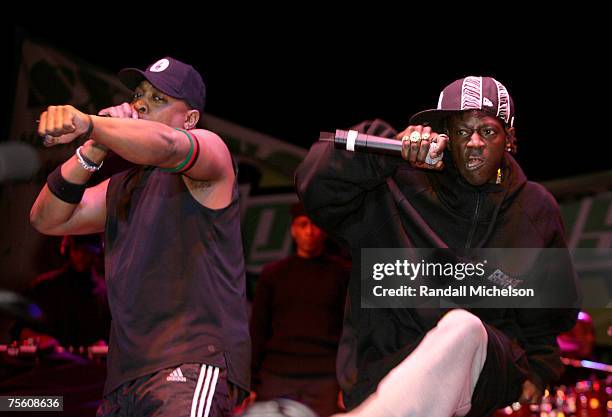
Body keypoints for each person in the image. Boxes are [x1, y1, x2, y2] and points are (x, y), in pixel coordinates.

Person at [295, 76, 579, 417]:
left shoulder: (535, 209)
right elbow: (313, 185)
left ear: (509, 137)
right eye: (462, 132)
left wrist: (541, 370)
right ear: (445, 135)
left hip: (481, 380)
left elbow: (546, 313)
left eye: (487, 131)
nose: (474, 143)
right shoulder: (396, 182)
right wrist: (390, 150)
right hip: (385, 375)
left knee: (463, 327)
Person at [30, 57, 250, 417]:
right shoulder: (122, 187)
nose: (141, 104)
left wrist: (90, 123)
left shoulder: (212, 153)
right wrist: (94, 146)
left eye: (159, 99)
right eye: (138, 95)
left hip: (189, 364)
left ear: (190, 119)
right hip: (124, 378)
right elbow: (46, 218)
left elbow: (167, 146)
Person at [250, 202, 350, 417]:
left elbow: (350, 331)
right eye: (303, 225)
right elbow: (257, 329)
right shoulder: (273, 274)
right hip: (276, 375)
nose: (309, 231)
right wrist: (250, 380)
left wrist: (347, 381)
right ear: (293, 230)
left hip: (325, 378)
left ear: (324, 230)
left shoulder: (342, 274)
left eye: (315, 225)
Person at [12, 233, 109, 351]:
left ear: (97, 253)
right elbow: (19, 329)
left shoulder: (106, 294)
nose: (81, 255)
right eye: (77, 249)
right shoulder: (43, 287)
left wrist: (104, 346)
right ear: (67, 249)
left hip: (89, 367)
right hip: (48, 366)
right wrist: (38, 338)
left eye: (87, 250)